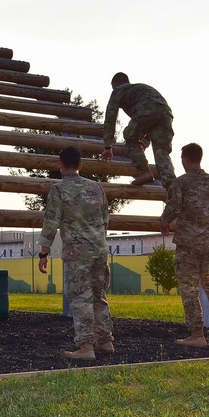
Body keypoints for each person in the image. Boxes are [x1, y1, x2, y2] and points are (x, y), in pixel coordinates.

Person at [38, 146, 114, 360]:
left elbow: (51, 222)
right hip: (99, 250)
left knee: (80, 297)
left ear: (60, 165)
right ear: (80, 165)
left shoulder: (59, 190)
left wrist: (44, 252)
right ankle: (106, 341)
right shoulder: (96, 187)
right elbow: (105, 218)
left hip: (77, 253)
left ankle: (86, 347)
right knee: (99, 296)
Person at [159, 143, 209, 348]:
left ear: (185, 159)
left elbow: (173, 207)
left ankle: (196, 334)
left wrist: (164, 221)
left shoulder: (181, 183)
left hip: (188, 247)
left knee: (189, 289)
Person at [99, 72, 176, 190]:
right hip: (166, 113)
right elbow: (152, 120)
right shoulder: (142, 89)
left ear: (116, 84)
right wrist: (144, 142)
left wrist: (108, 146)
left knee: (130, 137)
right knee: (162, 152)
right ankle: (172, 187)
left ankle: (145, 171)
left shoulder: (118, 90)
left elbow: (111, 117)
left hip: (146, 110)